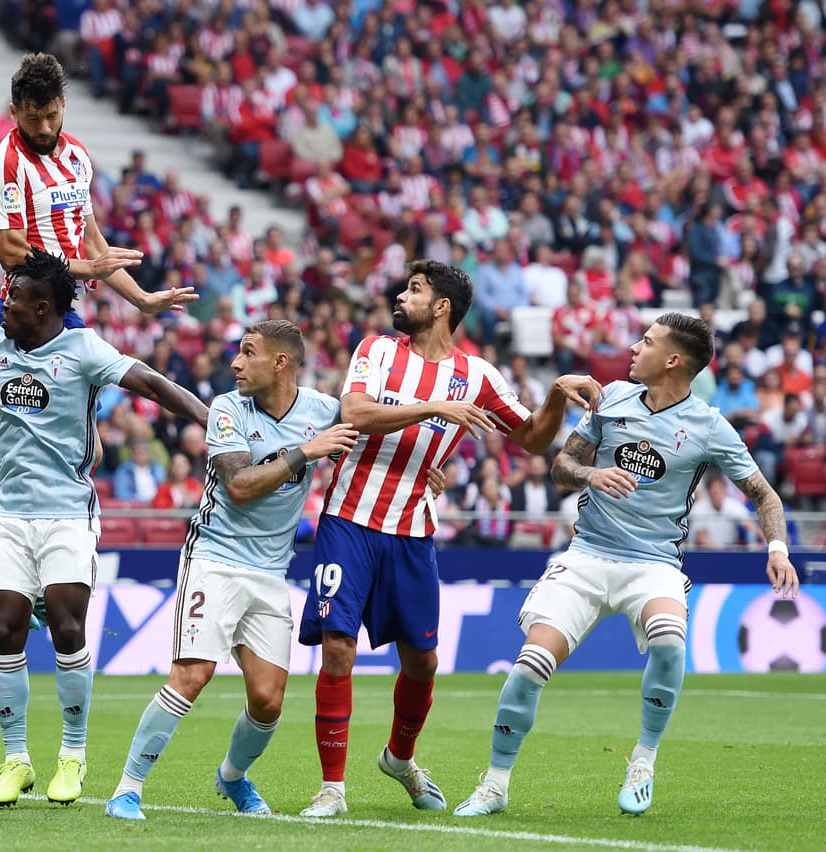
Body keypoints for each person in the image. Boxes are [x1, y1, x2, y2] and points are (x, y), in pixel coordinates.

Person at [0, 248, 208, 808]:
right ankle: (16, 758)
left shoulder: (84, 349)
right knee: (5, 627)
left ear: (43, 308)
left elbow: (150, 384)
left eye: (15, 299)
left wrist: (211, 419)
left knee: (67, 627)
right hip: (8, 514)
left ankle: (72, 754)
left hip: (68, 512)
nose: (5, 305)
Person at [453, 314, 799, 818]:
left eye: (647, 341)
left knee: (669, 641)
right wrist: (591, 475)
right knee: (530, 665)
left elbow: (764, 494)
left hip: (653, 563)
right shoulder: (612, 398)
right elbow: (561, 467)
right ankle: (495, 785)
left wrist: (778, 549)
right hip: (588, 555)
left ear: (673, 360)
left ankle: (643, 761)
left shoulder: (709, 426)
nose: (634, 347)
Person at [296, 260, 604, 818]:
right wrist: (434, 407)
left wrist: (557, 395)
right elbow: (355, 412)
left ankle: (399, 758)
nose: (400, 295)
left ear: (442, 307)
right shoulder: (377, 350)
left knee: (423, 663)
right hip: (347, 518)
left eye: (414, 289)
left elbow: (534, 439)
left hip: (413, 529)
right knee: (337, 648)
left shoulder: (478, 376)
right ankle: (332, 789)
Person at [106, 321, 358, 820]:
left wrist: (429, 472)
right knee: (192, 675)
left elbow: (375, 441)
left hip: (271, 570)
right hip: (215, 559)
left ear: (280, 363)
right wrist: (305, 451)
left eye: (247, 353)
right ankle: (126, 789)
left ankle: (232, 776)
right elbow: (239, 486)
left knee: (267, 701)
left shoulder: (322, 410)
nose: (236, 363)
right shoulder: (228, 409)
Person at [0, 53, 196, 329]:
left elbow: (91, 241)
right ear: (14, 112)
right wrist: (91, 269)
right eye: (32, 118)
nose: (44, 128)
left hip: (59, 311)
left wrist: (142, 299)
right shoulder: (5, 163)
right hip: (25, 312)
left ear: (63, 105)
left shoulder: (77, 155)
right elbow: (12, 254)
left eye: (51, 116)